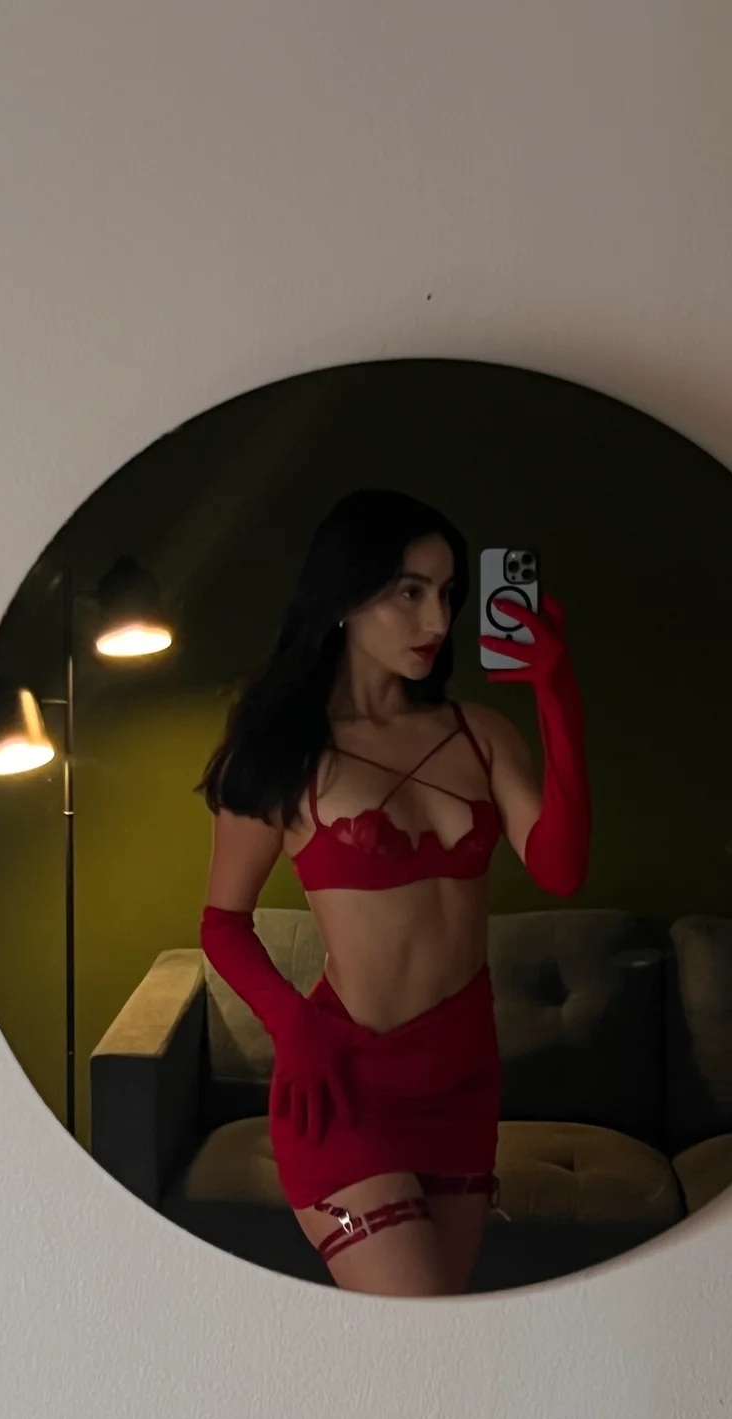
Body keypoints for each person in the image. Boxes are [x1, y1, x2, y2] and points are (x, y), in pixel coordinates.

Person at [198, 490, 590, 1297]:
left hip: (464, 1082)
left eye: (447, 593)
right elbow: (222, 924)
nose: (436, 619)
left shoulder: (478, 733)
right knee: (417, 1315)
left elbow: (561, 868)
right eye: (409, 591)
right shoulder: (281, 751)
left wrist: (556, 694)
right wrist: (295, 1029)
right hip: (345, 1082)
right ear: (345, 596)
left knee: (433, 1343)